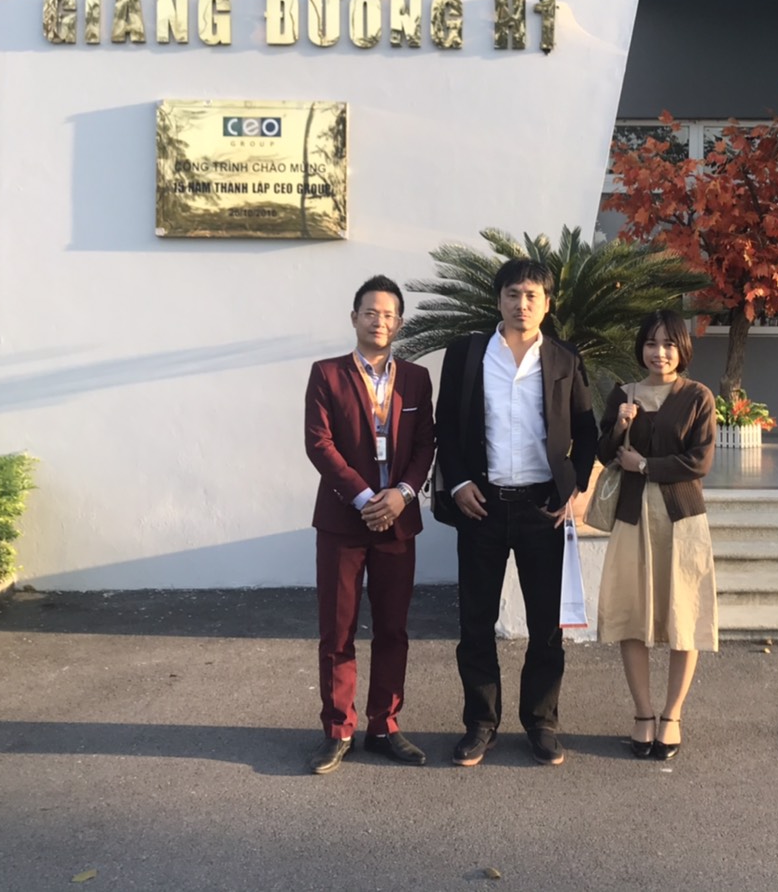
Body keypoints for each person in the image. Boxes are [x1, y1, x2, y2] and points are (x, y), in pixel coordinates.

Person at [434, 258, 598, 767]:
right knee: (475, 622)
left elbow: (586, 431)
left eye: (531, 296)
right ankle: (480, 724)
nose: (521, 304)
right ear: (498, 299)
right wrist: (459, 482)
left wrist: (574, 489)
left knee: (546, 625)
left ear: (547, 303)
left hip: (542, 508)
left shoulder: (564, 359)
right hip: (480, 505)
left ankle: (541, 723)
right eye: (512, 294)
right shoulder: (467, 354)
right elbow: (445, 426)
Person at [302, 275, 436, 774]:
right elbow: (319, 443)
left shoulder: (417, 379)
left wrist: (401, 495)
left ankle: (384, 725)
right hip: (343, 520)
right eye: (370, 312)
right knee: (337, 630)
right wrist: (363, 497)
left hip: (397, 521)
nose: (379, 321)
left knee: (392, 629)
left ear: (399, 323)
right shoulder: (327, 374)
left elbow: (425, 444)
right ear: (354, 317)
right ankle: (338, 729)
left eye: (388, 315)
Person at [595, 309, 718, 761]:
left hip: (682, 521)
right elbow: (603, 452)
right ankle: (643, 712)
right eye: (651, 343)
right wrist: (620, 426)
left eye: (668, 344)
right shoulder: (623, 394)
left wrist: (645, 465)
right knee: (631, 615)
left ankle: (672, 715)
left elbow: (700, 461)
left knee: (684, 617)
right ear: (640, 348)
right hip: (632, 518)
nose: (659, 353)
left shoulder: (698, 396)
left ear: (682, 349)